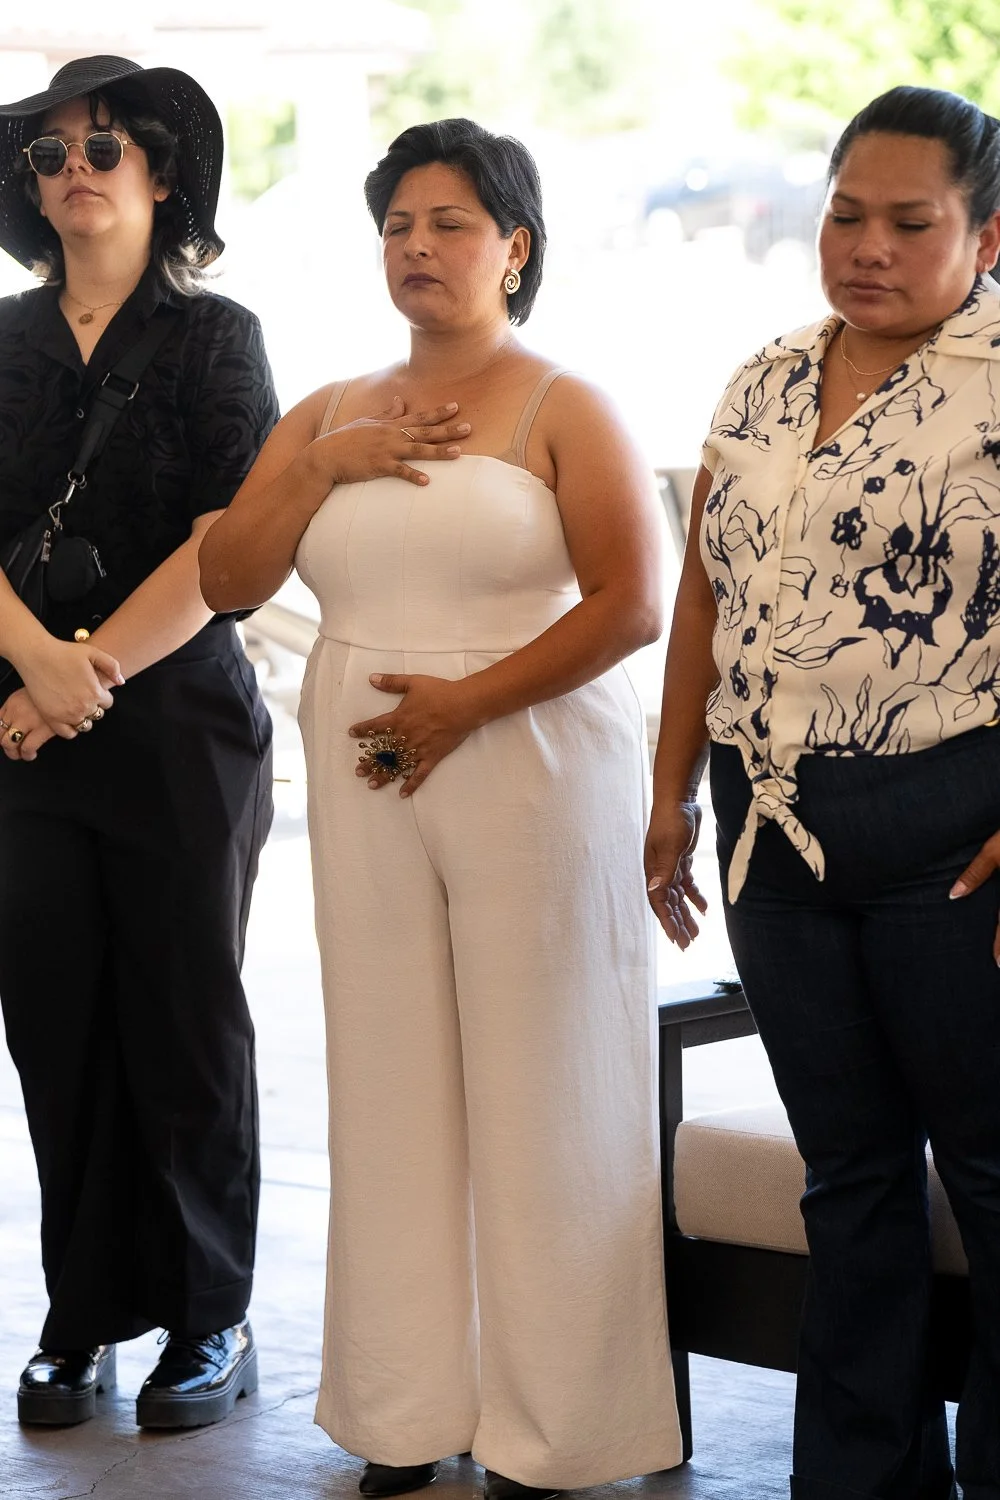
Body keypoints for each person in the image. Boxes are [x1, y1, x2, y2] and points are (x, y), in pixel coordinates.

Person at [199, 118, 681, 1500]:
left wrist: (462, 710)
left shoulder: (564, 403)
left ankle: (559, 1428)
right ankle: (405, 1411)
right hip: (368, 782)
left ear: (514, 247)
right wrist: (316, 465)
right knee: (391, 1081)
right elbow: (231, 573)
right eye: (398, 223)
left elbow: (633, 604)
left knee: (545, 1083)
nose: (417, 245)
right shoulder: (331, 405)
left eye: (450, 222)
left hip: (529, 761)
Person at [646, 85, 1000, 1500]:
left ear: (985, 232)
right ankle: (859, 1483)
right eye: (845, 213)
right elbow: (703, 594)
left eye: (912, 222)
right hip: (771, 833)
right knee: (848, 1180)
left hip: (951, 832)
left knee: (989, 1177)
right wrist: (671, 791)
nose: (868, 246)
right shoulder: (766, 374)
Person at [0, 55, 280, 1429]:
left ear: (161, 174)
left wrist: (83, 672)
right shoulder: (0, 341)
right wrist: (37, 666)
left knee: (186, 1021)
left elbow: (228, 544)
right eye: (48, 156)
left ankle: (208, 1319)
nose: (73, 174)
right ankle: (81, 1315)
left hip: (175, 726)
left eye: (100, 148)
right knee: (56, 1024)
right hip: (21, 727)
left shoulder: (220, 338)